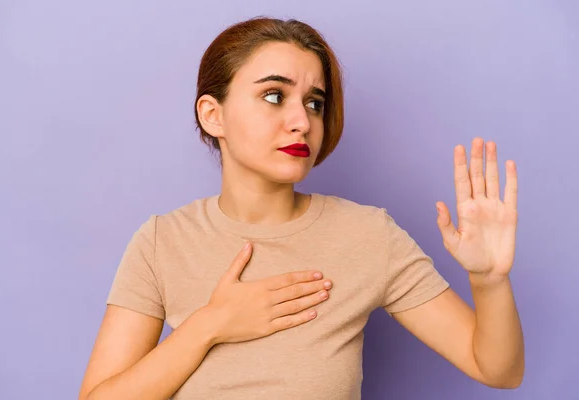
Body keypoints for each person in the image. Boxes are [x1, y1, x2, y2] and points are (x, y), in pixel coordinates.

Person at [78, 16, 524, 400]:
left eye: (315, 103)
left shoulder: (368, 234)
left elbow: (497, 370)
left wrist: (489, 281)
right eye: (274, 95)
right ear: (213, 115)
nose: (302, 121)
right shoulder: (162, 241)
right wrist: (209, 326)